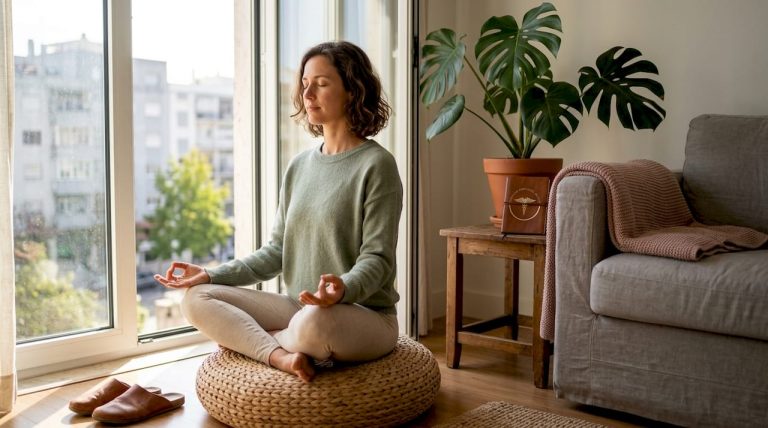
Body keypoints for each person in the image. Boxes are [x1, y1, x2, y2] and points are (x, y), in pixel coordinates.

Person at [154, 41, 402, 383]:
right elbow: (275, 252)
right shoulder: (300, 166)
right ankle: (281, 355)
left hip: (362, 314)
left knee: (314, 323)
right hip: (296, 307)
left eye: (322, 83)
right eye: (304, 84)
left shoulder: (377, 165)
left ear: (352, 90)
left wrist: (341, 289)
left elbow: (378, 259)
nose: (308, 93)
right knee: (196, 299)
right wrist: (212, 274)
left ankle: (256, 340)